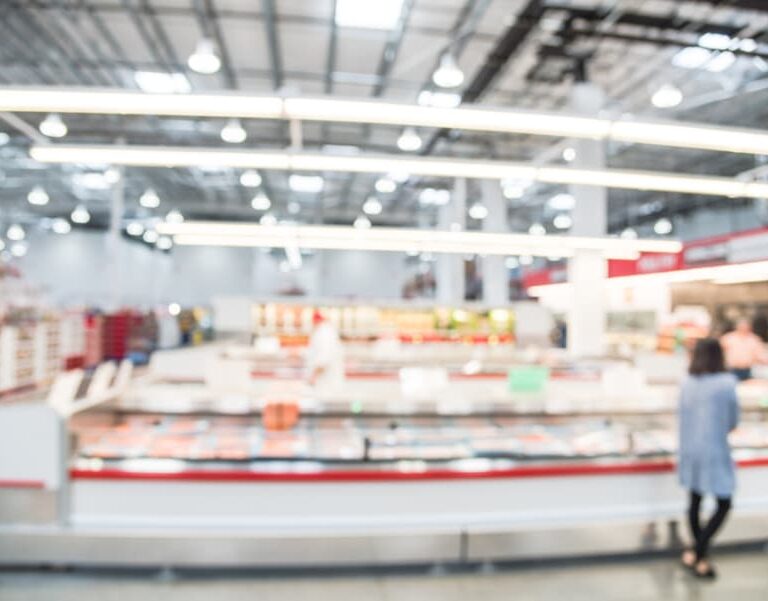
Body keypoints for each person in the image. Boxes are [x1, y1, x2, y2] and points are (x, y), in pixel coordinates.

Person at [679, 338, 739, 579]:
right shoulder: (726, 383)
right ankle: (699, 552)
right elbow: (732, 420)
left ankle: (697, 554)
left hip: (689, 449)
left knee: (695, 499)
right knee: (724, 502)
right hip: (714, 449)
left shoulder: (687, 382)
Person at [305, 310, 345, 400]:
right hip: (327, 385)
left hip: (326, 387)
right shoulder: (327, 331)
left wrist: (313, 377)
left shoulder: (324, 333)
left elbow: (323, 359)